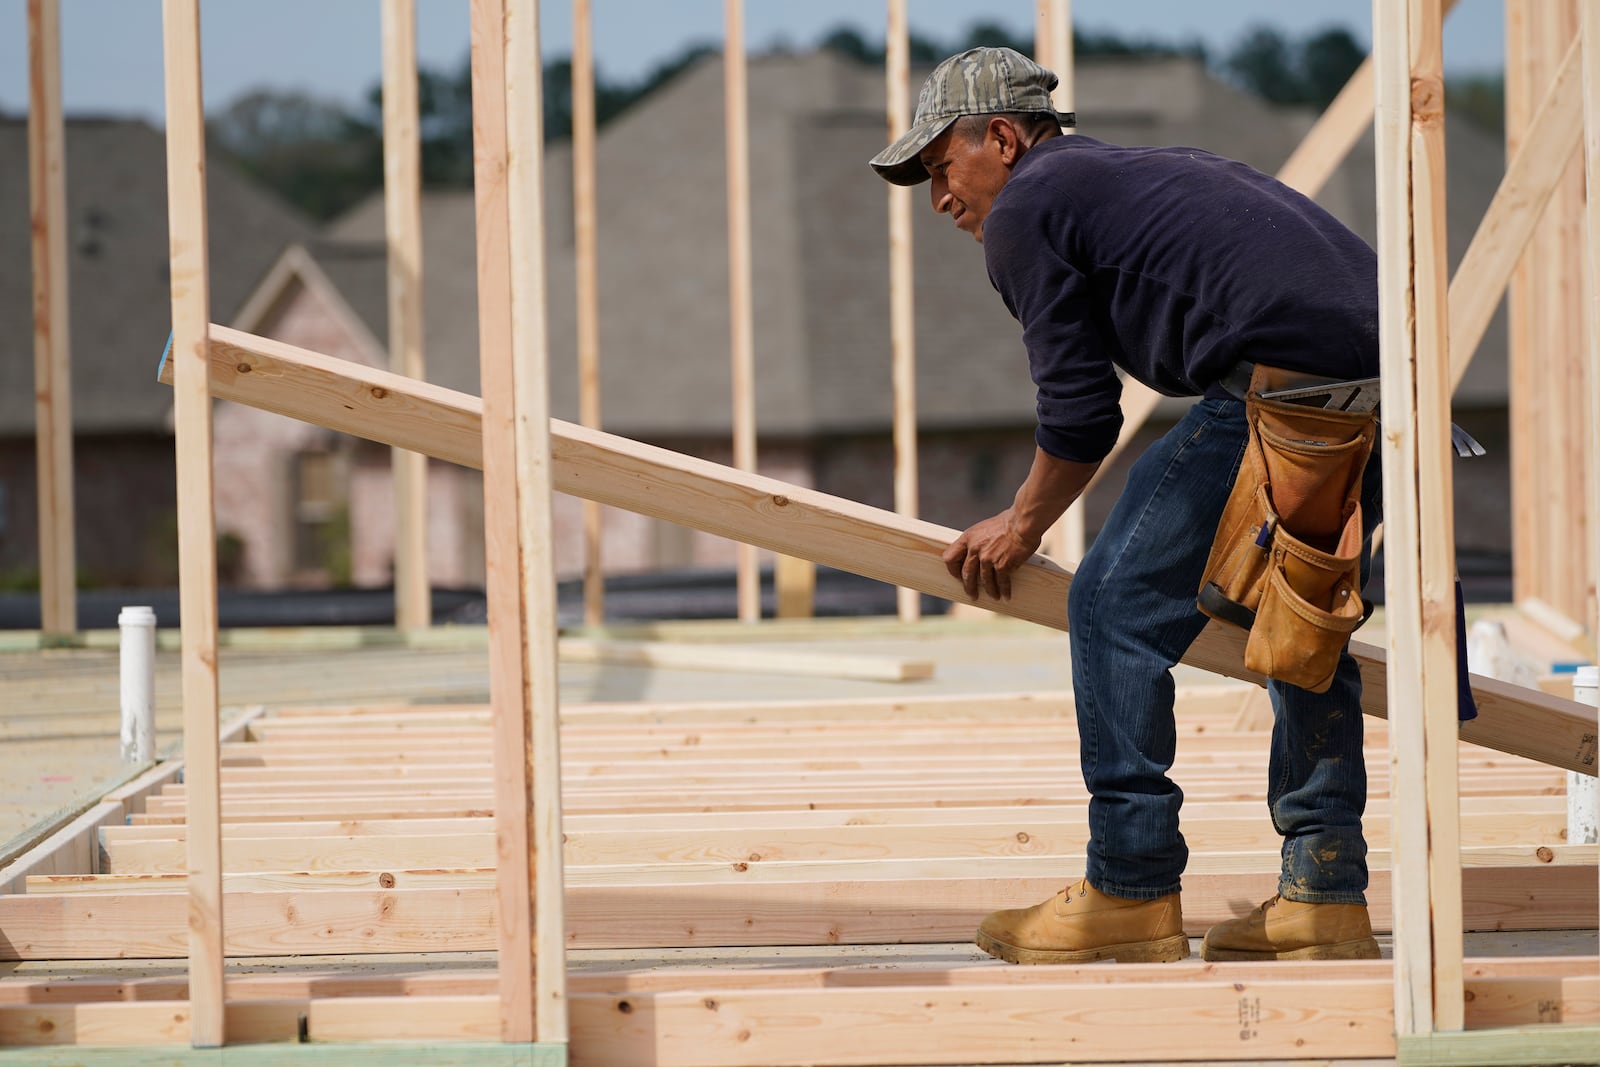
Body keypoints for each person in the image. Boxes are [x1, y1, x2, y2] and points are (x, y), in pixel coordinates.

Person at [869, 47, 1384, 964]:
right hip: (1392, 391)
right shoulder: (1126, 175)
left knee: (1109, 607)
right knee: (1304, 622)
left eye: (942, 165)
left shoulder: (1029, 206)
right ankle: (1325, 893)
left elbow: (1079, 411)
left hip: (1283, 391)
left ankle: (1131, 886)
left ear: (1001, 137)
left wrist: (1019, 521)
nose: (939, 197)